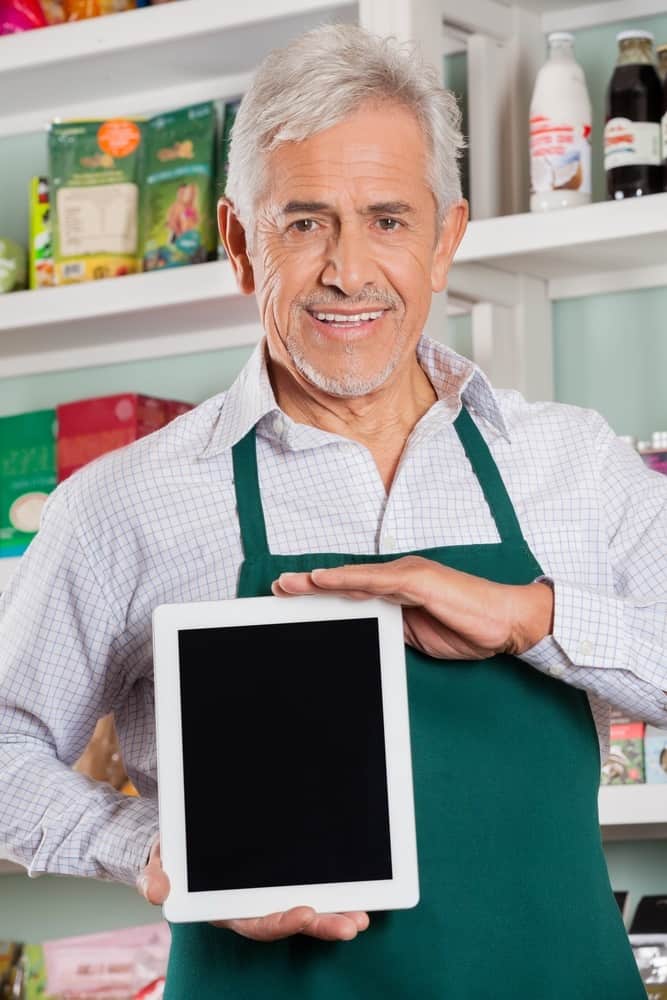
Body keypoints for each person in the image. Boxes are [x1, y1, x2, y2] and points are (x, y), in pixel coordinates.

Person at [1, 22, 665, 1000]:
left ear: (446, 240)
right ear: (237, 243)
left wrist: (537, 618)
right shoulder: (123, 502)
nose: (348, 271)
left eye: (388, 220)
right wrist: (149, 848)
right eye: (304, 221)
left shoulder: (570, 461)